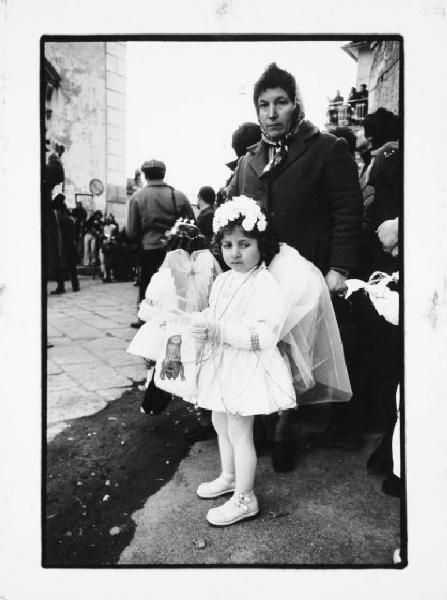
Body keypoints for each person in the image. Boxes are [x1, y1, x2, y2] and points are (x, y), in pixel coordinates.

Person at [143, 197, 350, 526]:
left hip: (247, 368)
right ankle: (228, 476)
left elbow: (265, 335)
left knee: (240, 430)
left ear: (262, 245)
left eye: (244, 244)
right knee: (219, 423)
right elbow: (216, 313)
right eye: (227, 244)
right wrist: (195, 321)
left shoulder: (265, 284)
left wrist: (219, 331)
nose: (234, 252)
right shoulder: (225, 279)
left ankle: (245, 497)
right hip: (223, 363)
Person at [228, 62, 362, 470]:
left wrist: (339, 267)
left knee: (297, 350)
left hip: (309, 275)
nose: (271, 112)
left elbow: (347, 212)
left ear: (295, 104)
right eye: (263, 104)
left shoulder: (325, 148)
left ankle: (287, 427)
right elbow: (232, 213)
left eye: (280, 103)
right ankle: (268, 420)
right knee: (266, 346)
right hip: (260, 276)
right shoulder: (248, 161)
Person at [127, 159, 195, 328]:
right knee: (175, 285)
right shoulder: (177, 195)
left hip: (149, 248)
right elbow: (191, 223)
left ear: (145, 175)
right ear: (163, 173)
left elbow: (131, 231)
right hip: (174, 248)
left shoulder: (137, 197)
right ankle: (175, 317)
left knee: (147, 283)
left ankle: (145, 318)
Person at [51, 194, 80, 294]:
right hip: (71, 244)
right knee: (72, 267)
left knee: (60, 266)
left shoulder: (58, 220)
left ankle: (61, 287)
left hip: (62, 245)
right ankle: (75, 286)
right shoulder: (70, 220)